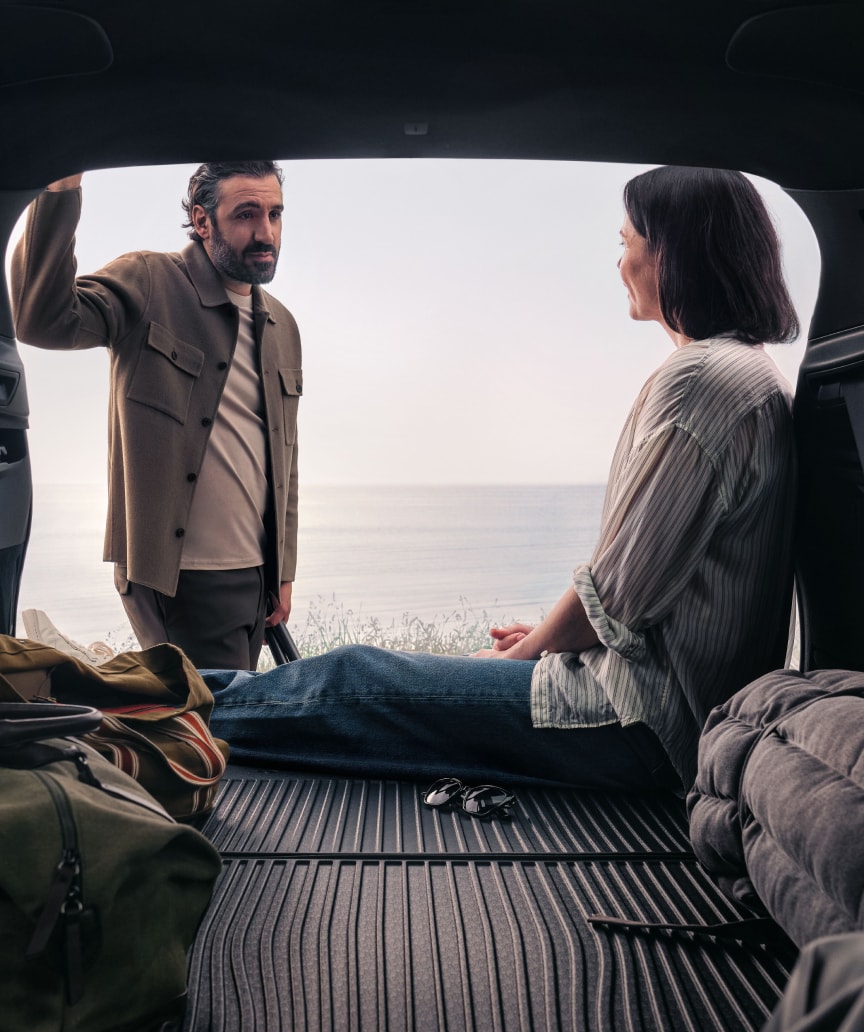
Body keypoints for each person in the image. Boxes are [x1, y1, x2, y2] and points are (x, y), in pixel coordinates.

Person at [204, 164, 799, 795]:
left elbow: (616, 598)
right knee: (368, 684)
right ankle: (148, 699)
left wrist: (520, 656)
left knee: (354, 678)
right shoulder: (748, 374)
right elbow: (651, 590)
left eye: (626, 244)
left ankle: (142, 713)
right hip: (660, 709)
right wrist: (549, 641)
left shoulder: (700, 383)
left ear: (672, 254)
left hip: (637, 725)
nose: (620, 262)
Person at [11, 162, 302, 670]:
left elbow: (285, 457)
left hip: (256, 576)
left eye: (275, 214)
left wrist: (283, 568)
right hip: (180, 578)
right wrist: (61, 189)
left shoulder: (282, 324)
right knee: (216, 727)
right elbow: (41, 319)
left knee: (226, 725)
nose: (265, 232)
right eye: (247, 214)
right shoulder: (150, 281)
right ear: (202, 219)